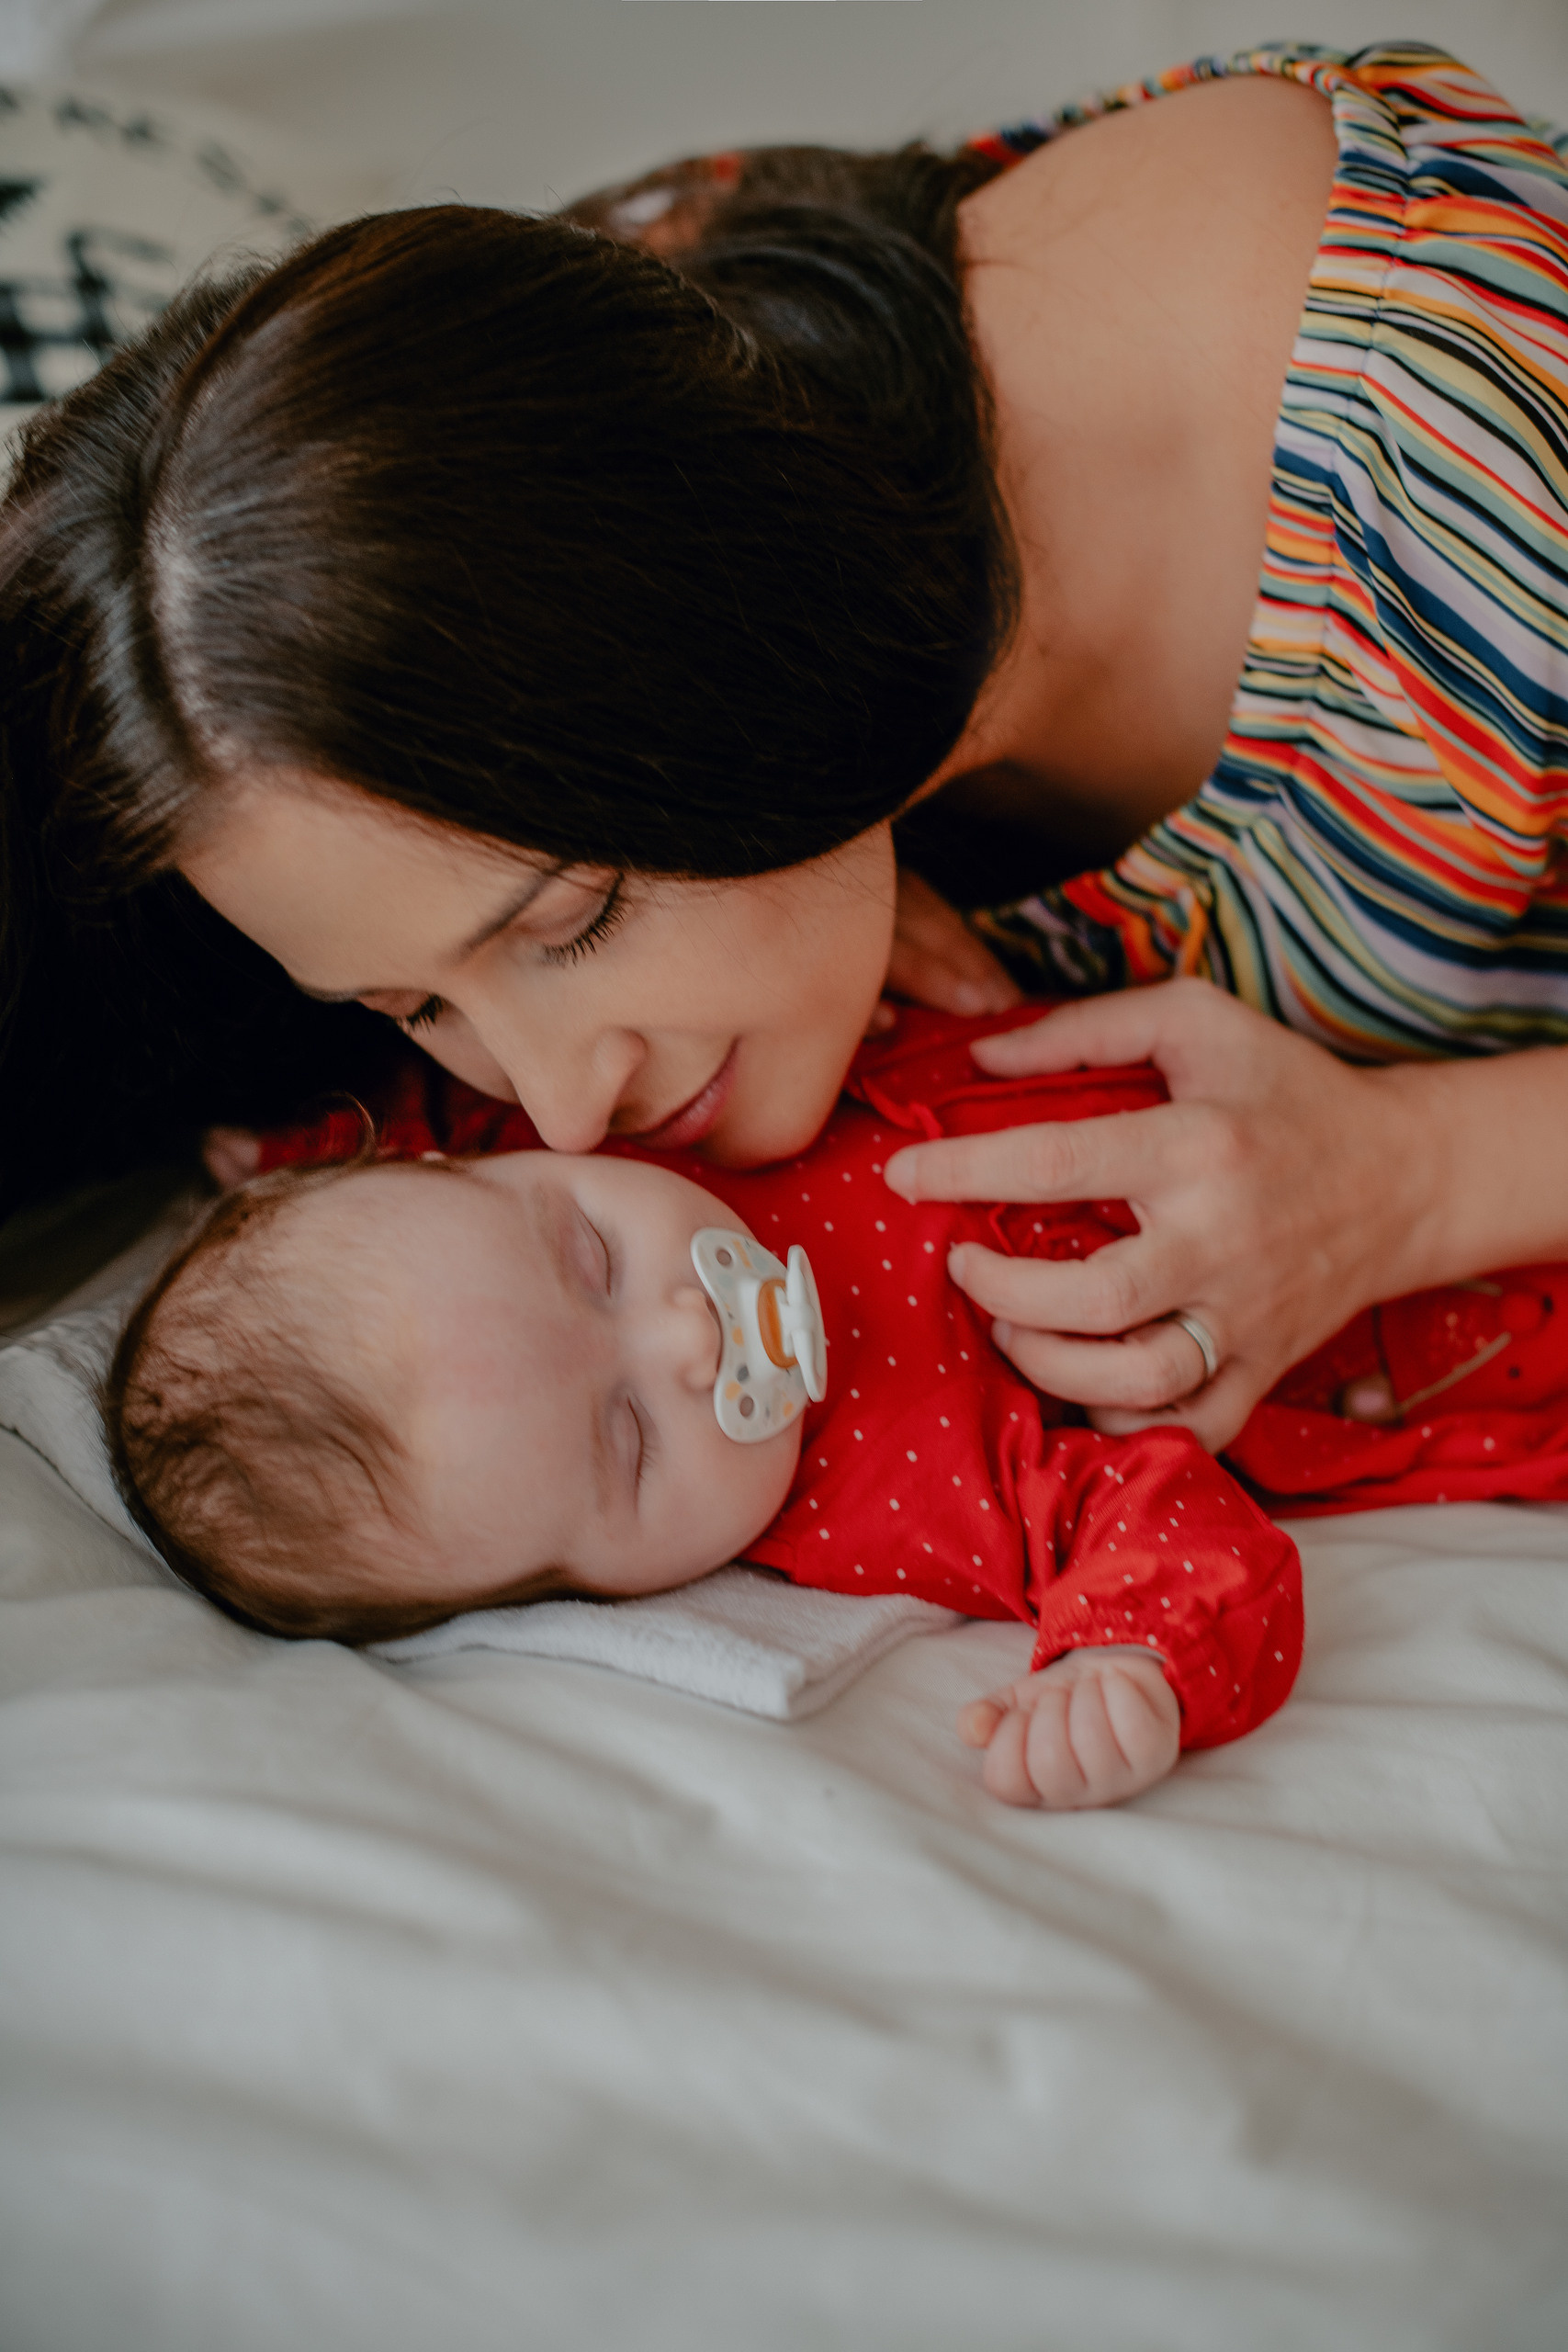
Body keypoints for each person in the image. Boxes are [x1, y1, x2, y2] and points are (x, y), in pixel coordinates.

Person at [6, 41, 1568, 1452]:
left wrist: (1410, 1176)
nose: (557, 1110)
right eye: (417, 1003)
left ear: (750, 630)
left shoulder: (1474, 463)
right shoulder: (569, 468)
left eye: (576, 920)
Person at [107, 1010, 1308, 1814]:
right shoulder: (876, 1501)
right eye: (627, 1437)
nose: (691, 1333)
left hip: (1249, 1026)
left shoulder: (592, 1117)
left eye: (592, 1255)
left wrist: (295, 1150)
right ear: (592, 1592)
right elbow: (1154, 1512)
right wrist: (1125, 1660)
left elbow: (432, 1121)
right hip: (1360, 1306)